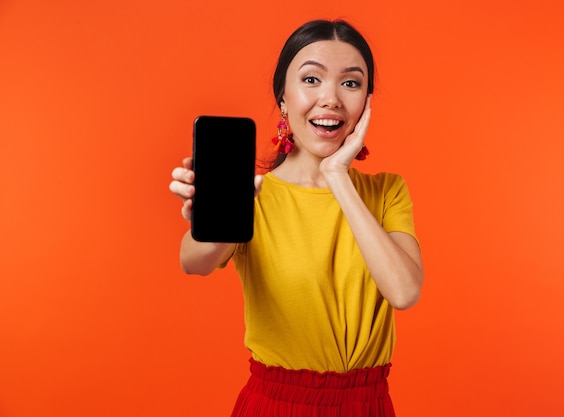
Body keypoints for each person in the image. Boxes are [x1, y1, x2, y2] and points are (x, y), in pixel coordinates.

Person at [169, 19, 424, 417]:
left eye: (351, 83)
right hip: (278, 405)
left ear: (366, 103)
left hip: (368, 405)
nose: (331, 98)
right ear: (283, 98)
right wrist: (212, 215)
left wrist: (337, 175)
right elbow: (193, 262)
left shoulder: (386, 191)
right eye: (311, 80)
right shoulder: (253, 193)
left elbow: (405, 292)